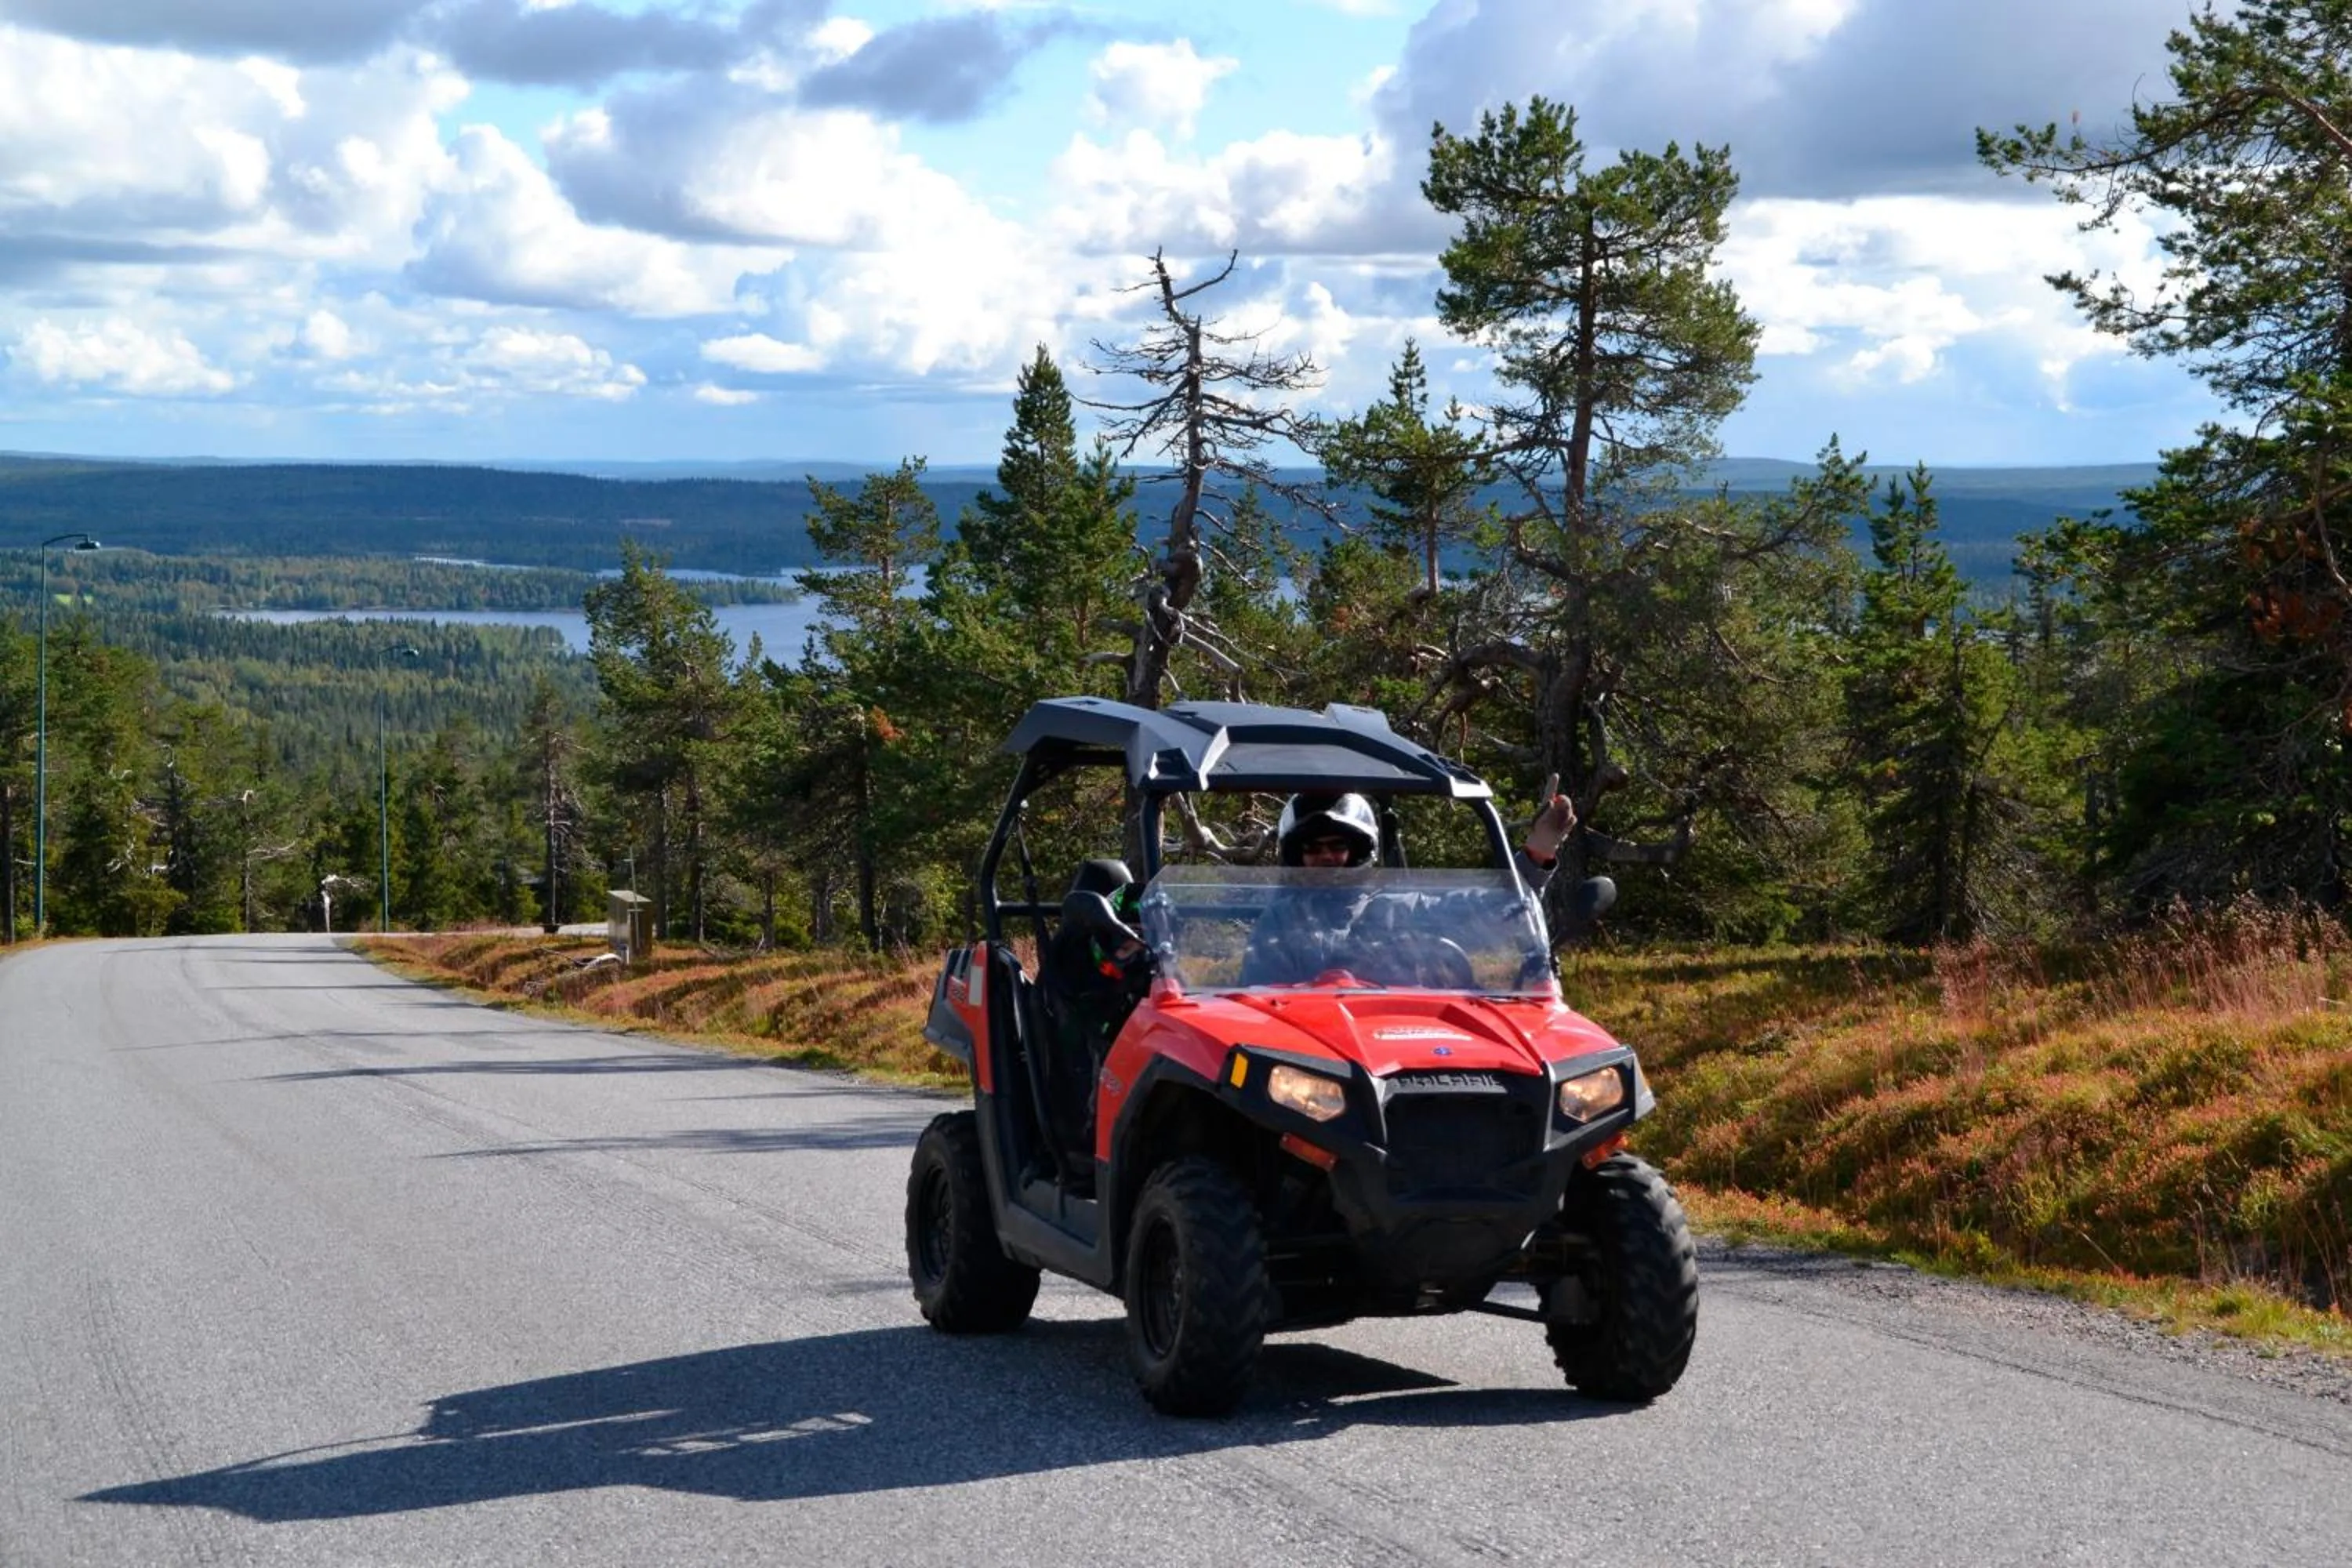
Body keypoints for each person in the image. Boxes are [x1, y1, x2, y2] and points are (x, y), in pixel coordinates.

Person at [1238, 780, 1577, 985]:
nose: (1326, 857)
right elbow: (1260, 1001)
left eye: (1337, 846)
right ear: (1297, 856)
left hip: (1404, 1037)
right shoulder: (1282, 921)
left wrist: (1538, 850)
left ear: (1358, 851)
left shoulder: (1400, 906)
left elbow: (1495, 909)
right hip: (1311, 1055)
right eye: (1313, 849)